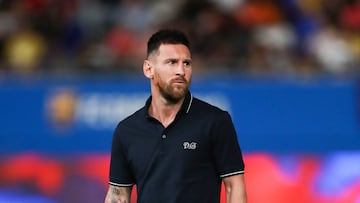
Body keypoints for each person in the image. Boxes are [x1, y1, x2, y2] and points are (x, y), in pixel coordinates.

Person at [104, 29, 247, 203]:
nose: (181, 70)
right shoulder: (126, 130)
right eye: (172, 62)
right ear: (148, 69)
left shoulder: (215, 121)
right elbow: (118, 194)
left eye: (186, 63)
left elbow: (234, 185)